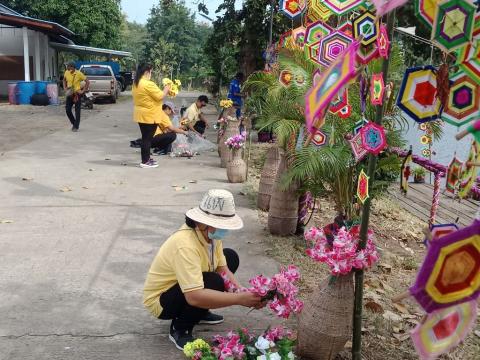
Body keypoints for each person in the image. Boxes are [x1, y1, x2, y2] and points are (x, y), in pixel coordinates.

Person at [143, 189, 264, 350]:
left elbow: (222, 268)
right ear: (203, 223)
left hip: (185, 287)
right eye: (221, 225)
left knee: (230, 257)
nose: (224, 230)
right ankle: (180, 328)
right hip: (162, 301)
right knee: (213, 282)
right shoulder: (185, 244)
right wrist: (240, 299)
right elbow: (194, 296)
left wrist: (241, 291)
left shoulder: (210, 236)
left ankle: (200, 312)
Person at [132, 63, 171, 168]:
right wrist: (167, 87)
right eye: (151, 72)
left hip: (141, 114)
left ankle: (146, 158)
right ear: (146, 72)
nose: (151, 74)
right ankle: (145, 161)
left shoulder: (136, 82)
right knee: (147, 139)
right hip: (150, 115)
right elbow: (160, 96)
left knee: (146, 138)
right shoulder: (148, 84)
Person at [63, 62, 89, 132]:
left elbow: (87, 82)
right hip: (69, 94)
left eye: (69, 68)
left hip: (77, 94)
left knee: (77, 111)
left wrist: (83, 91)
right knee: (68, 110)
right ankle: (74, 123)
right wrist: (65, 88)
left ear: (73, 67)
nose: (68, 69)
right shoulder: (66, 72)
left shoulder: (79, 74)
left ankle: (76, 127)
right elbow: (64, 80)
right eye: (67, 68)